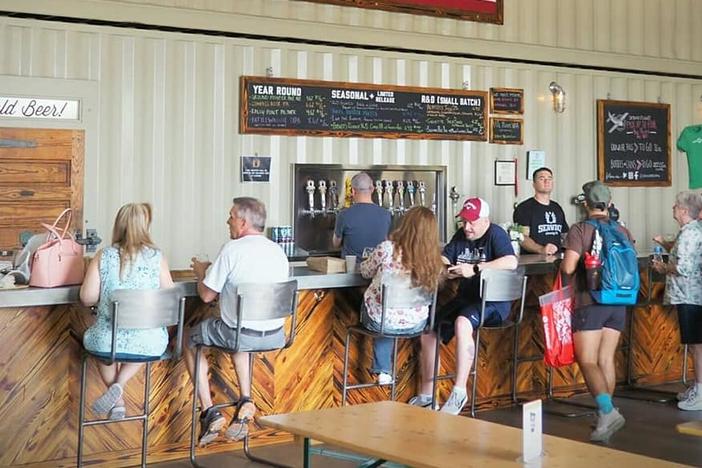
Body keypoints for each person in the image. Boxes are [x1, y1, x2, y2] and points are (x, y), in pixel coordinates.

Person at [185, 197, 289, 447]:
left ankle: (209, 411)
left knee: (189, 338)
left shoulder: (232, 249)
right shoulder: (277, 251)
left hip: (239, 332)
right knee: (239, 331)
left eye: (231, 216)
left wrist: (202, 273)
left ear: (242, 222)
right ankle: (245, 399)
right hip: (275, 334)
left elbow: (207, 295)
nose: (227, 220)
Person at [409, 197, 517, 414]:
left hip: (493, 302)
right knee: (429, 331)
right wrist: (447, 268)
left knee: (462, 322)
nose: (467, 227)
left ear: (485, 221)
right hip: (466, 299)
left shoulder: (496, 234)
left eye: (472, 223)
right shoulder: (461, 235)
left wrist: (476, 268)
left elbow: (511, 262)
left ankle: (459, 392)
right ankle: (427, 395)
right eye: (464, 222)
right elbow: (444, 256)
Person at [80, 203, 174, 420]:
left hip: (107, 340)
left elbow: (87, 298)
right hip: (149, 341)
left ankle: (118, 400)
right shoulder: (157, 257)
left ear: (118, 225)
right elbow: (169, 297)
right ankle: (119, 389)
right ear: (145, 226)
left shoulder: (104, 256)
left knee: (105, 349)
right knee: (141, 340)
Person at [560, 180, 629, 442]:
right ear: (609, 204)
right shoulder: (621, 229)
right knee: (605, 360)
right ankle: (606, 416)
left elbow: (568, 268)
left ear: (585, 204)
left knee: (588, 361)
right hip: (619, 301)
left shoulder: (581, 229)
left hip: (591, 301)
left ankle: (608, 411)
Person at [359, 206, 444, 384]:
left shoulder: (387, 249)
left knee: (383, 314)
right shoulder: (433, 257)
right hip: (417, 324)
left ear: (405, 224)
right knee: (388, 316)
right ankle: (385, 370)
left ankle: (384, 370)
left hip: (380, 321)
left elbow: (365, 272)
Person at [652, 191, 702, 411]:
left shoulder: (689, 234)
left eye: (675, 206)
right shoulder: (692, 232)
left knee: (696, 345)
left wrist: (662, 267)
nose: (673, 208)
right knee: (695, 344)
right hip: (692, 295)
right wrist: (665, 244)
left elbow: (683, 267)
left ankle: (700, 390)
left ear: (683, 211)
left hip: (690, 295)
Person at [333, 172, 391, 259]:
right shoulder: (386, 214)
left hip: (351, 269)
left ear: (352, 191)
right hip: (376, 269)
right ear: (372, 189)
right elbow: (386, 242)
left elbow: (336, 244)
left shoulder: (344, 214)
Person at [513, 167, 568, 255]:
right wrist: (541, 249)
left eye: (549, 178)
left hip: (556, 260)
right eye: (542, 179)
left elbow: (565, 235)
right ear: (534, 184)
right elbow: (522, 237)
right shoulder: (524, 208)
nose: (546, 181)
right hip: (533, 262)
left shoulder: (557, 207)